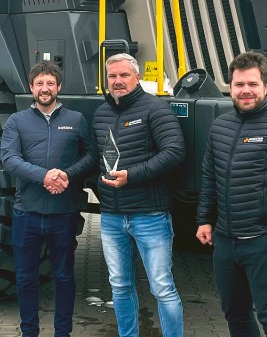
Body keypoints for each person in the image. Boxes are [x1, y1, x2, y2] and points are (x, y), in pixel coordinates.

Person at [196, 51, 267, 337]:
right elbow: (210, 176)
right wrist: (204, 220)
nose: (245, 90)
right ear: (230, 87)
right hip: (225, 243)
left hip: (265, 244)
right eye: (238, 84)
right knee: (236, 317)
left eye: (252, 84)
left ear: (264, 87)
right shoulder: (220, 127)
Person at [1, 60, 98, 337]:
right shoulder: (16, 121)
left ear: (59, 87)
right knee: (26, 279)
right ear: (31, 88)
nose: (45, 88)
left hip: (63, 214)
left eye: (50, 83)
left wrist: (67, 175)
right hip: (26, 214)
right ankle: (29, 332)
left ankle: (62, 333)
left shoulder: (76, 120)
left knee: (65, 278)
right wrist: (45, 176)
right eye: (40, 83)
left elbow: (91, 157)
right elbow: (9, 159)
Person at [92, 53, 185, 337]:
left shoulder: (155, 109)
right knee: (119, 286)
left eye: (124, 75)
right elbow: (95, 157)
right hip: (112, 218)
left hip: (150, 216)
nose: (118, 81)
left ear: (136, 77)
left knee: (162, 287)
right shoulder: (101, 114)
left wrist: (131, 176)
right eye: (112, 76)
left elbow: (174, 152)